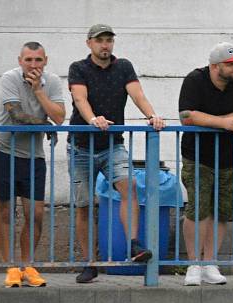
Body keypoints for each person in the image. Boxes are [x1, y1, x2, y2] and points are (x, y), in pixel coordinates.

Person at [68, 24, 165, 284]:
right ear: (89, 43)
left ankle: (134, 245)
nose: (105, 45)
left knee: (129, 186)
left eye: (109, 40)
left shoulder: (123, 66)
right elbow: (80, 99)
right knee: (84, 206)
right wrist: (92, 119)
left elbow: (138, 94)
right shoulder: (78, 68)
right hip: (81, 145)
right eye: (100, 40)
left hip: (112, 144)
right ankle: (90, 263)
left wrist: (152, 115)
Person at [178, 42, 233, 285]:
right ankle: (193, 264)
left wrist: (216, 120)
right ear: (215, 67)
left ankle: (210, 262)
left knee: (223, 212)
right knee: (197, 209)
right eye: (230, 64)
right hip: (198, 155)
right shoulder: (195, 79)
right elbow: (186, 116)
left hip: (232, 157)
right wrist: (223, 122)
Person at [0, 41, 65, 288]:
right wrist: (45, 126)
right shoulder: (9, 78)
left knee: (36, 215)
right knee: (5, 212)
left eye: (38, 60)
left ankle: (27, 265)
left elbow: (60, 117)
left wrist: (39, 91)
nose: (33, 65)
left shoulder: (52, 81)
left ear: (46, 60)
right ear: (20, 60)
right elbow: (16, 115)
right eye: (29, 60)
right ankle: (9, 267)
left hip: (34, 157)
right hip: (5, 151)